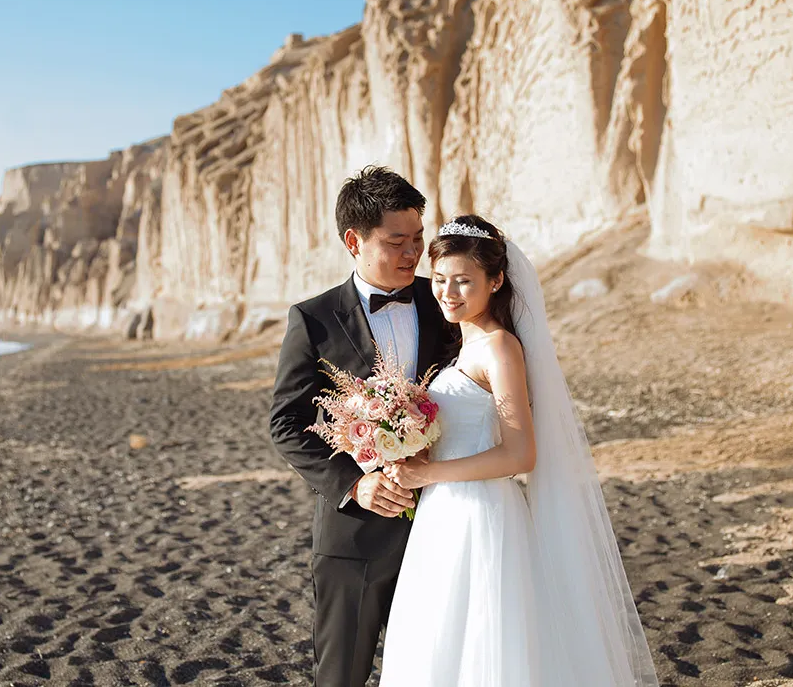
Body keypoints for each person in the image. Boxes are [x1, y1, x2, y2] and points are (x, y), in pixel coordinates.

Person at [378, 214, 659, 687]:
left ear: (496, 281)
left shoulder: (500, 348)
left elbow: (520, 455)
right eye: (440, 279)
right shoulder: (462, 346)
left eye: (464, 281)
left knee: (485, 644)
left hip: (482, 514)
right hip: (443, 513)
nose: (447, 292)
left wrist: (428, 475)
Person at [269, 166, 458, 686]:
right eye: (396, 241)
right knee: (342, 676)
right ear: (354, 241)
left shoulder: (447, 304)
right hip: (353, 538)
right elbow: (286, 423)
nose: (413, 253)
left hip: (445, 522)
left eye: (418, 238)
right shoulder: (313, 319)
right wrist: (355, 484)